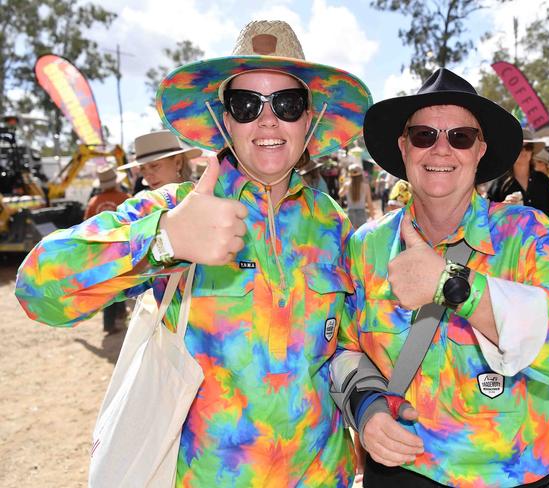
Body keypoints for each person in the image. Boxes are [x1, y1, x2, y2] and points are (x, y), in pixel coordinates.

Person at [15, 20, 372, 486]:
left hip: (324, 475)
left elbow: (344, 344)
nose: (267, 120)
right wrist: (162, 241)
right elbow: (36, 289)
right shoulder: (174, 207)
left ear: (309, 119)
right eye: (246, 105)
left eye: (287, 104)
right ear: (225, 120)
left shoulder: (331, 223)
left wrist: (368, 408)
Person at [330, 68, 549, 487]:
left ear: (480, 150)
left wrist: (454, 285)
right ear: (404, 147)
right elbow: (345, 346)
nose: (441, 150)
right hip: (401, 472)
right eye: (424, 136)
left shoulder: (529, 236)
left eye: (460, 137)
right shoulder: (366, 246)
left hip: (510, 475)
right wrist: (365, 407)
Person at [83, 165, 131, 334]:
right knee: (121, 281)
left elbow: (86, 229)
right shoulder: (126, 198)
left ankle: (116, 316)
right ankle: (111, 322)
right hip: (121, 249)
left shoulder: (93, 202)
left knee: (108, 285)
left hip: (100, 251)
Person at [487, 129, 549, 221]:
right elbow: (486, 216)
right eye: (519, 147)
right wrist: (503, 206)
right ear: (511, 152)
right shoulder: (500, 182)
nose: (524, 151)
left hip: (541, 235)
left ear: (532, 152)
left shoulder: (543, 179)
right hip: (511, 235)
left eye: (528, 147)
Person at [119, 130, 201, 191]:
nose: (148, 176)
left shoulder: (203, 194)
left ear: (178, 163)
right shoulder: (142, 204)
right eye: (142, 168)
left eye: (154, 166)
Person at [339, 163, 376, 228]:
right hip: (361, 213)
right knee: (361, 236)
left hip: (350, 213)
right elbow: (369, 202)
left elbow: (340, 194)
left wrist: (343, 184)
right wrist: (372, 217)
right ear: (361, 174)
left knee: (352, 236)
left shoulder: (347, 185)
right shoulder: (366, 185)